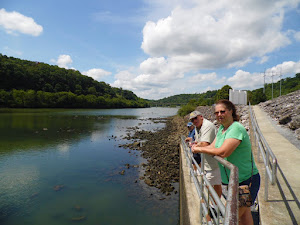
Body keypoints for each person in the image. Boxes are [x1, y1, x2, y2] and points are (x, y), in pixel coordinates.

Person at [192, 100, 260, 225]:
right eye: (216, 112)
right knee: (244, 215)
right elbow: (212, 147)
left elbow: (223, 152)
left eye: (222, 111)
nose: (219, 114)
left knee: (231, 219)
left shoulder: (236, 128)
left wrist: (197, 149)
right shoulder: (222, 129)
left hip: (246, 181)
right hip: (234, 182)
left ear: (231, 111)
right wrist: (199, 146)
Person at [188, 110, 222, 198]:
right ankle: (215, 205)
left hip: (214, 162)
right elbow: (198, 141)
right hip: (208, 162)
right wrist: (195, 144)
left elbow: (204, 143)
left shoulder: (207, 126)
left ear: (201, 117)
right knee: (216, 183)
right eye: (192, 120)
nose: (194, 121)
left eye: (196, 118)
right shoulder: (197, 127)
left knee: (206, 184)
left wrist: (194, 147)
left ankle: (212, 205)